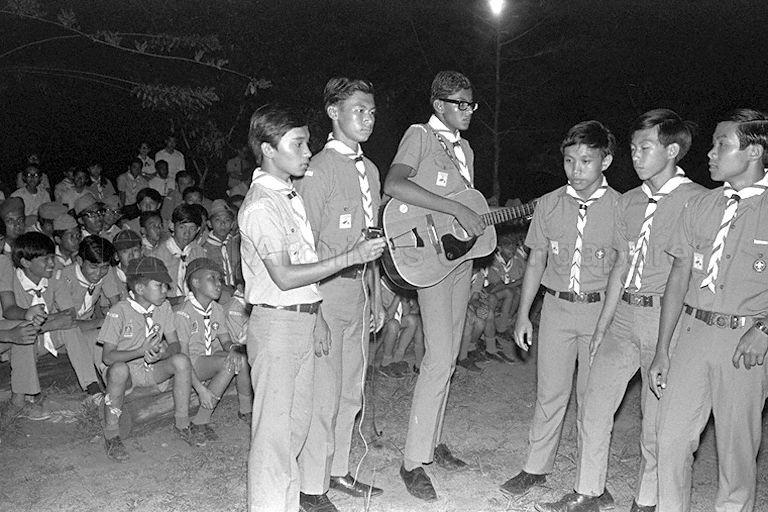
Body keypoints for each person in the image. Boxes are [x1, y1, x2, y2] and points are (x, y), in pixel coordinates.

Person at [536, 110, 705, 512]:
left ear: (673, 150)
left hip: (667, 321)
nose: (636, 156)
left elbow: (693, 275)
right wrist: (603, 325)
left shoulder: (697, 201)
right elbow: (619, 266)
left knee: (656, 418)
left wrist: (673, 339)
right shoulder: (629, 202)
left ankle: (646, 500)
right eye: (632, 148)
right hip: (623, 317)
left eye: (645, 148)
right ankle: (588, 491)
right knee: (593, 405)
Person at [239, 104, 385, 512]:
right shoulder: (261, 206)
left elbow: (303, 268)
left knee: (295, 429)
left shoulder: (288, 195)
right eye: (298, 144)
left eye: (306, 142)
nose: (307, 151)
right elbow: (285, 276)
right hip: (277, 326)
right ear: (269, 149)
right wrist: (350, 257)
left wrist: (317, 313)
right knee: (273, 436)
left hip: (301, 320)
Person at [649, 109, 768, 512]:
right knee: (671, 438)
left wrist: (765, 329)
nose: (711, 154)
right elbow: (678, 276)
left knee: (736, 452)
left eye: (722, 144)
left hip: (745, 343)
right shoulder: (701, 205)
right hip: (693, 334)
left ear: (753, 151)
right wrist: (663, 348)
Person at [500, 120, 620, 501]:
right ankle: (536, 467)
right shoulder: (550, 203)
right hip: (556, 309)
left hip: (600, 312)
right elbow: (536, 260)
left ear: (606, 161)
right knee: (550, 392)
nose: (576, 170)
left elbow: (622, 266)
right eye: (569, 161)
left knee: (592, 399)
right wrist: (523, 314)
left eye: (586, 161)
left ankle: (589, 484)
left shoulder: (621, 207)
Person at [383, 70, 483, 501]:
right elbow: (394, 183)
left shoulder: (467, 150)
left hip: (456, 259)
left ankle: (434, 442)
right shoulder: (420, 135)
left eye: (471, 104)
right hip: (426, 258)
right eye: (460, 103)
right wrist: (451, 209)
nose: (468, 110)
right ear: (439, 104)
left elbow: (468, 210)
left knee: (449, 355)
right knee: (439, 359)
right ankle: (411, 461)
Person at [293, 77, 383, 506]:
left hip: (360, 293)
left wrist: (377, 297)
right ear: (333, 112)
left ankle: (339, 470)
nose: (367, 118)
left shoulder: (370, 170)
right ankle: (312, 487)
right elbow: (303, 247)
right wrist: (316, 313)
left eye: (371, 111)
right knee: (323, 397)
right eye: (358, 110)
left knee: (351, 392)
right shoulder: (317, 170)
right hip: (324, 294)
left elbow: (372, 240)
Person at [98, 256, 204, 461]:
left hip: (151, 369)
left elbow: (174, 344)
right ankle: (112, 436)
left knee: (181, 360)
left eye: (166, 285)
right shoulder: (118, 311)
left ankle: (182, 424)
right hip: (125, 373)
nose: (166, 291)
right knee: (119, 369)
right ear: (139, 288)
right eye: (159, 285)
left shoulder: (163, 308)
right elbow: (108, 357)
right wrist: (140, 351)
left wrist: (163, 354)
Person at [0, 232, 102, 402]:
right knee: (26, 332)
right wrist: (46, 321)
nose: (51, 263)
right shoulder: (11, 280)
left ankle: (92, 387)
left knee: (69, 327)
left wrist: (46, 322)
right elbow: (9, 313)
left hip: (45, 338)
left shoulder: (55, 277)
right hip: (15, 343)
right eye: (45, 259)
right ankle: (27, 395)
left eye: (52, 257)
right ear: (25, 262)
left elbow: (69, 314)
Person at [174, 257, 252, 440]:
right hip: (191, 365)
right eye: (212, 278)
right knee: (228, 363)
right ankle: (201, 420)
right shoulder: (183, 314)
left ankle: (246, 409)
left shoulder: (216, 309)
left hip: (210, 358)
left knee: (240, 356)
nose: (219, 285)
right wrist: (201, 390)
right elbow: (183, 359)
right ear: (195, 282)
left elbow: (225, 341)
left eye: (219, 279)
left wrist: (233, 348)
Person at [0, 219, 43, 423]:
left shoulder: (2, 263)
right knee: (16, 333)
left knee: (25, 328)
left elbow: (8, 308)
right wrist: (8, 335)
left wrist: (26, 313)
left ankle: (19, 401)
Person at [150, 203, 206, 304]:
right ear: (172, 226)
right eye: (182, 227)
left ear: (198, 230)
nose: (187, 233)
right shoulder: (157, 256)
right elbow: (151, 295)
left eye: (192, 229)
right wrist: (176, 301)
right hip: (165, 307)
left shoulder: (199, 252)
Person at [202, 199, 241, 296]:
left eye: (227, 220)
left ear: (232, 224)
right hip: (216, 293)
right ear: (209, 224)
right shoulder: (203, 249)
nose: (223, 224)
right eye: (217, 220)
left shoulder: (237, 244)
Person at [111, 230, 143, 298]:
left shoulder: (149, 274)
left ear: (141, 253)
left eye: (135, 250)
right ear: (116, 256)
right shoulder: (109, 276)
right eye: (125, 251)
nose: (131, 256)